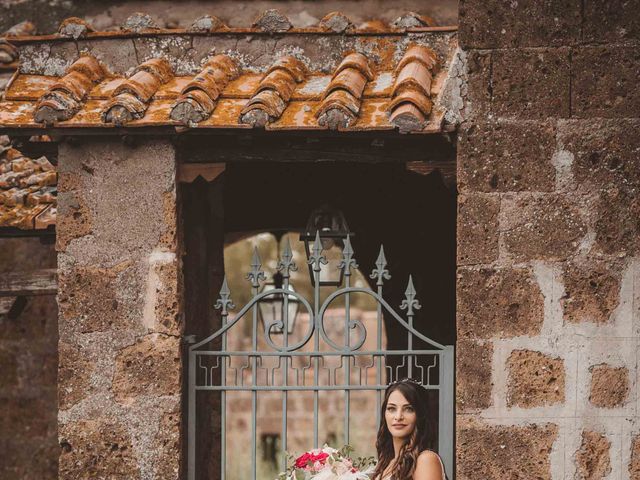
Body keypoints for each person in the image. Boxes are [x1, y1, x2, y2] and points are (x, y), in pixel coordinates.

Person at [372, 379, 446, 480]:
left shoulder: (425, 460)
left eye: (408, 409)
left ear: (420, 415)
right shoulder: (387, 463)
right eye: (391, 409)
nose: (398, 417)